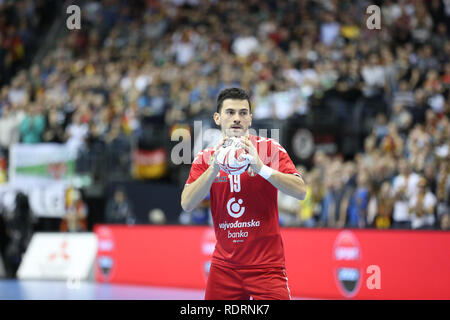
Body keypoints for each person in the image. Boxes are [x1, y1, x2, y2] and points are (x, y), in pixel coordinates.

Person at [181, 88, 306, 300]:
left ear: (250, 118)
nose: (237, 118)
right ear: (217, 118)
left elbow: (300, 191)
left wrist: (261, 169)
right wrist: (213, 169)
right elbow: (187, 203)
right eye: (230, 112)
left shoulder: (268, 149)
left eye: (243, 113)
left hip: (266, 268)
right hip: (224, 268)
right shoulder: (205, 157)